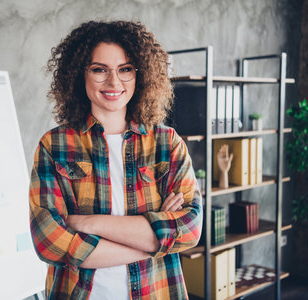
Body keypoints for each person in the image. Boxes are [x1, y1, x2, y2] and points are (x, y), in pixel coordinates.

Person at [29, 20, 202, 300]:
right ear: (78, 75)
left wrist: (87, 223)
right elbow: (49, 242)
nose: (114, 82)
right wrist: (152, 242)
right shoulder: (54, 146)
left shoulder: (167, 143)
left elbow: (189, 230)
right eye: (100, 70)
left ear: (140, 74)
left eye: (125, 69)